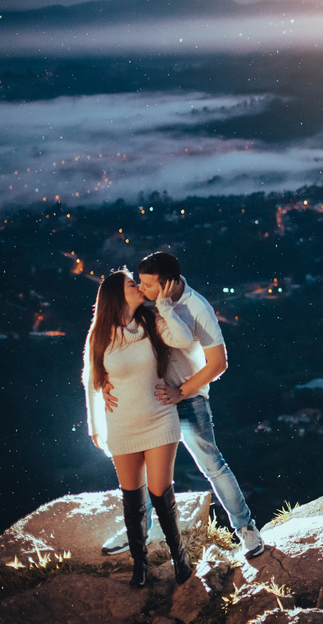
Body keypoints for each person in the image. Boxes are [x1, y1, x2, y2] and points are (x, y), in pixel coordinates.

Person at [100, 251, 264, 559]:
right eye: (140, 283)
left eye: (148, 285)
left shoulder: (197, 307)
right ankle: (139, 529)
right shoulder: (145, 301)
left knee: (211, 464)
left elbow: (219, 363)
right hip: (151, 398)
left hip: (186, 398)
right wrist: (105, 381)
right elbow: (115, 336)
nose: (141, 289)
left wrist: (182, 391)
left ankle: (247, 529)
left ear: (169, 283)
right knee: (148, 469)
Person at [84, 270, 194, 587]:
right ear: (117, 295)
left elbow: (184, 339)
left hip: (160, 417)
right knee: (132, 497)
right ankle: (139, 566)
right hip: (122, 425)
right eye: (132, 284)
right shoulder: (100, 334)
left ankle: (180, 560)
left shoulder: (152, 320)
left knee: (160, 492)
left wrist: (165, 306)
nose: (139, 286)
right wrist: (95, 427)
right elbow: (92, 383)